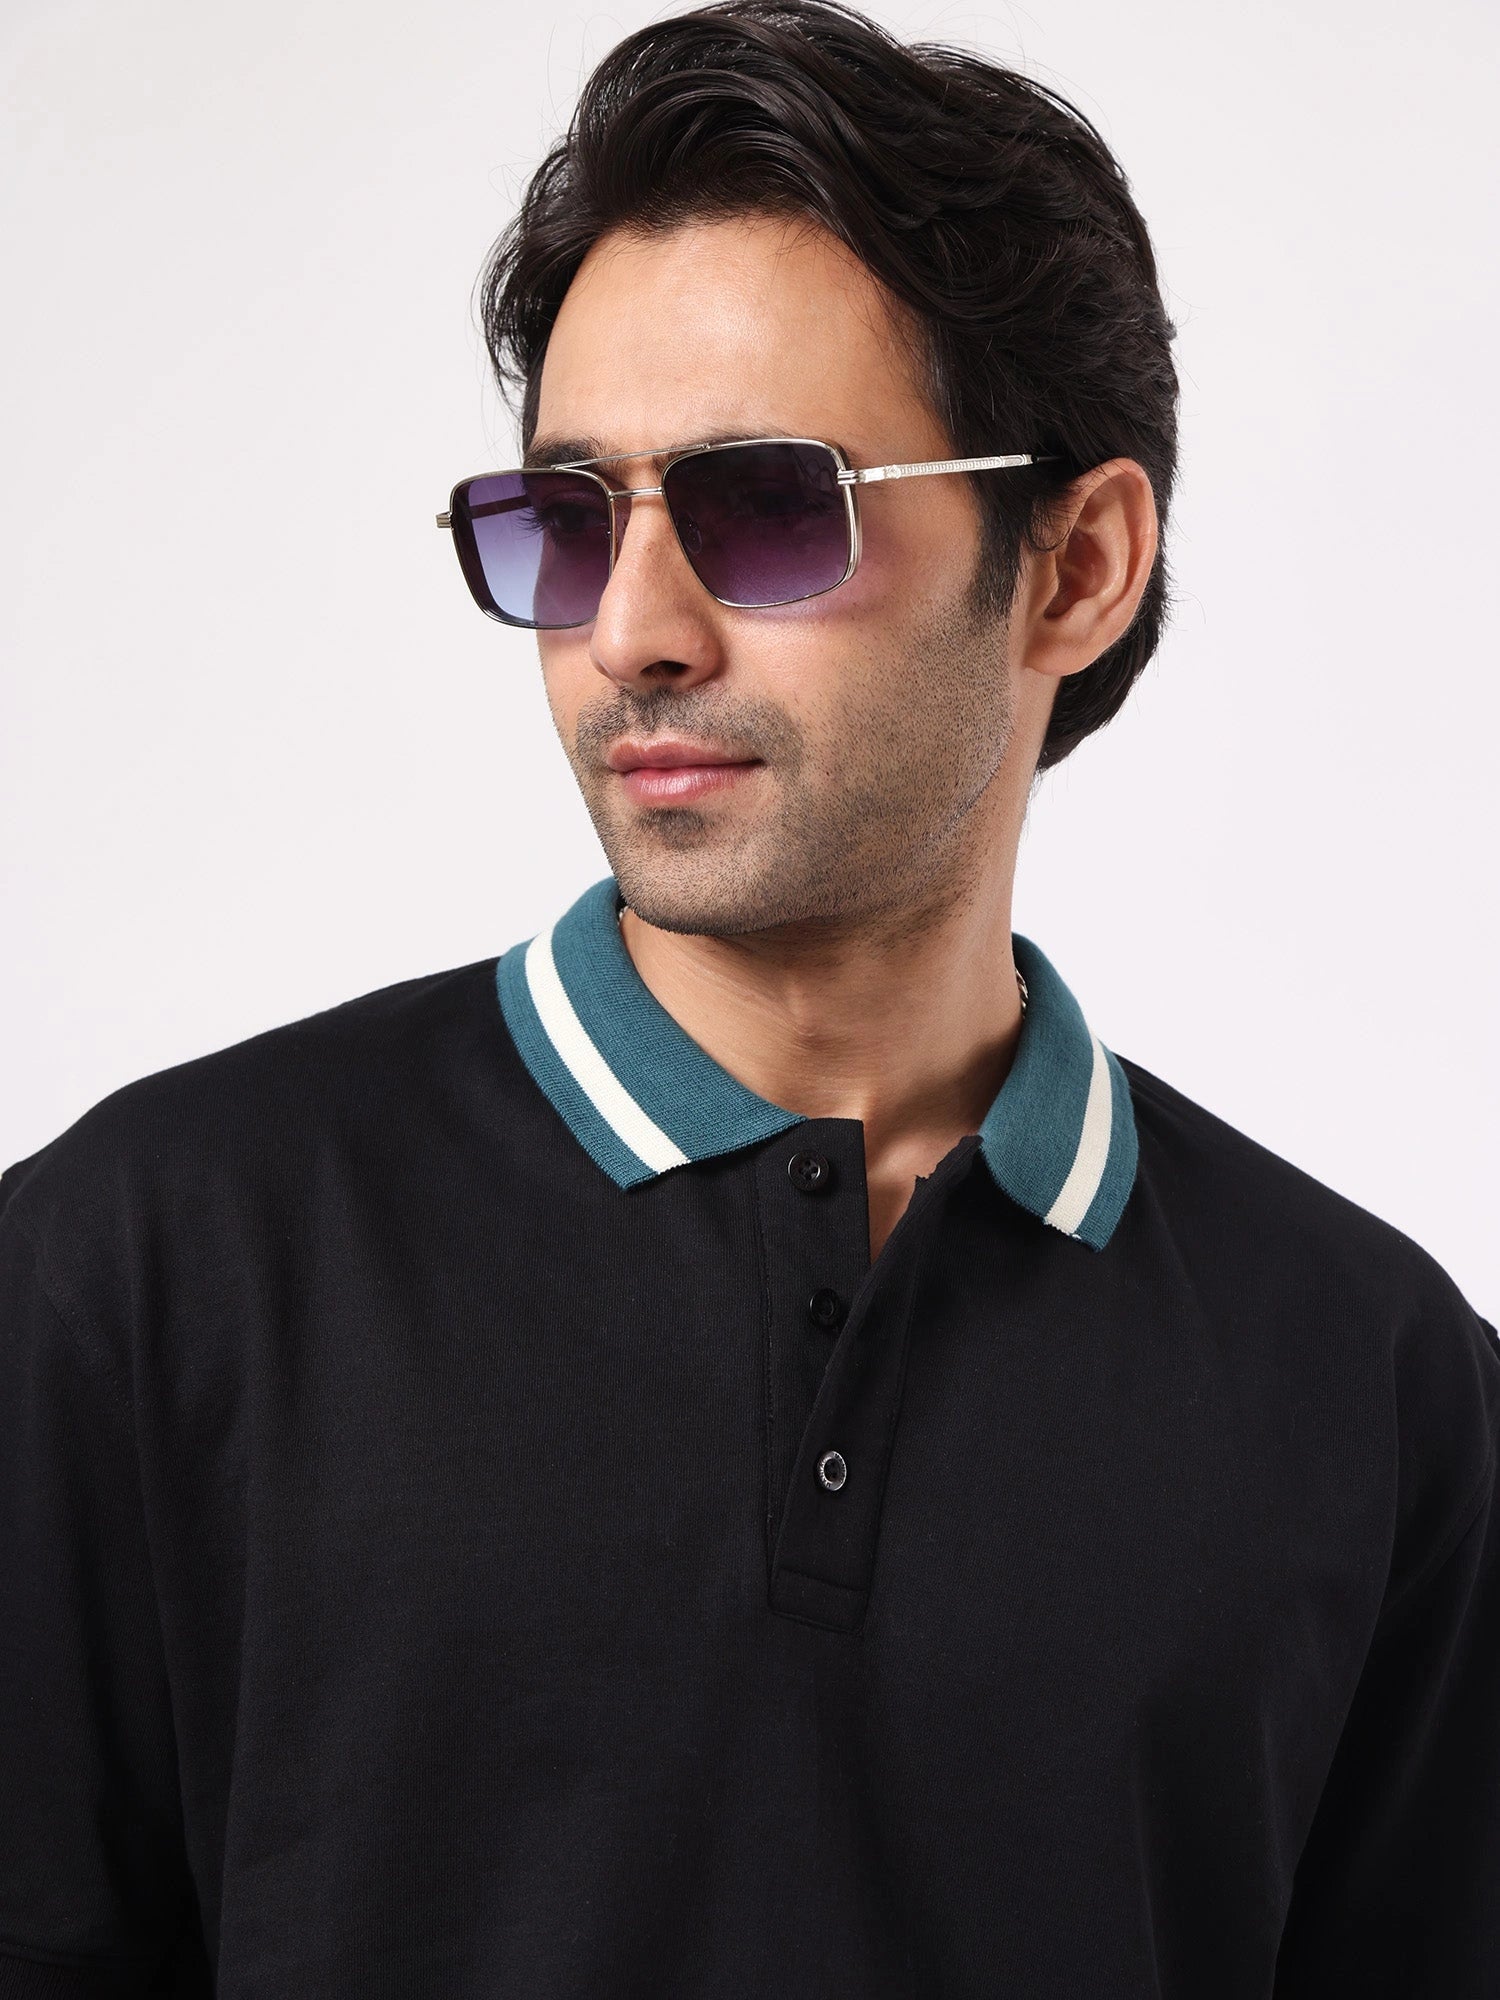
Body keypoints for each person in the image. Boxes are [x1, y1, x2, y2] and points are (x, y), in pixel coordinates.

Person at [2, 2, 1495, 1993]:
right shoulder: (135, 1271)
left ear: (1075, 567)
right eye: (566, 520)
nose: (632, 630)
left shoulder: (1381, 1390)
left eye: (767, 507)